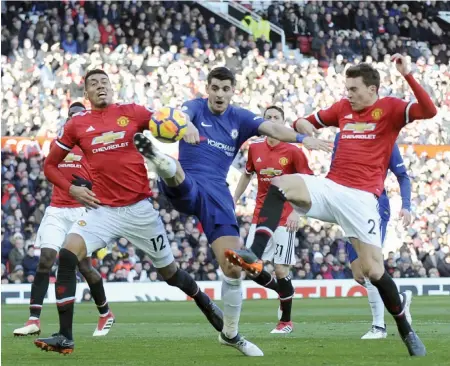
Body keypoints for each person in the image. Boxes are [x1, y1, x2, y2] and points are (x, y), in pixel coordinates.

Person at [224, 55, 437, 357]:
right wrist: (305, 132)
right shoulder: (342, 109)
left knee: (373, 272)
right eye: (347, 88)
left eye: (354, 88)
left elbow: (429, 110)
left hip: (362, 199)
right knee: (279, 184)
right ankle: (254, 254)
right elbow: (304, 122)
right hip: (330, 186)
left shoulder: (390, 108)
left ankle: (406, 330)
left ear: (372, 89)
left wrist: (408, 74)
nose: (348, 94)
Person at [133, 66, 331, 357]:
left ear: (232, 90)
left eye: (225, 89)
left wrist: (303, 140)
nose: (220, 94)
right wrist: (185, 126)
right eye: (215, 88)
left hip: (218, 193)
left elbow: (273, 129)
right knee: (177, 176)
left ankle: (230, 334)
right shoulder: (195, 108)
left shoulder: (240, 117)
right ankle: (156, 158)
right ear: (207, 88)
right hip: (191, 181)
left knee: (233, 266)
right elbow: (182, 115)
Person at [34, 69, 223, 355]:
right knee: (67, 254)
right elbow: (50, 166)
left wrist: (187, 126)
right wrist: (71, 188)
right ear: (85, 95)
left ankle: (204, 301)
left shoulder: (132, 112)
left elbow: (165, 120)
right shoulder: (76, 125)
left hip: (139, 210)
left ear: (112, 88)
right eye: (93, 84)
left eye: (104, 82)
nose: (100, 87)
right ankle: (65, 336)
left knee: (170, 274)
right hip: (103, 211)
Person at [13, 103, 115, 338]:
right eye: (72, 116)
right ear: (68, 120)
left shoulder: (95, 145)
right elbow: (50, 171)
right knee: (46, 260)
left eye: (79, 116)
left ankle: (105, 312)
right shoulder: (58, 145)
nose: (75, 120)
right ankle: (33, 320)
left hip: (83, 212)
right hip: (57, 210)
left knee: (84, 267)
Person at [233, 106, 313, 334]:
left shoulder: (294, 151)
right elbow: (247, 174)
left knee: (280, 269)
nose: (272, 121)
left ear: (283, 122)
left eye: (276, 117)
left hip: (285, 216)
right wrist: (235, 198)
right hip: (261, 215)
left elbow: (308, 185)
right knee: (249, 267)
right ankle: (283, 291)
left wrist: (298, 212)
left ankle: (285, 321)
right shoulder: (255, 148)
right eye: (268, 118)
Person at [333, 132, 413, 339]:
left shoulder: (385, 138)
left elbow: (403, 176)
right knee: (359, 274)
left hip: (374, 206)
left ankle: (379, 327)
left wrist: (406, 206)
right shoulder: (341, 136)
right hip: (348, 207)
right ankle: (399, 298)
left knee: (369, 269)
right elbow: (335, 173)